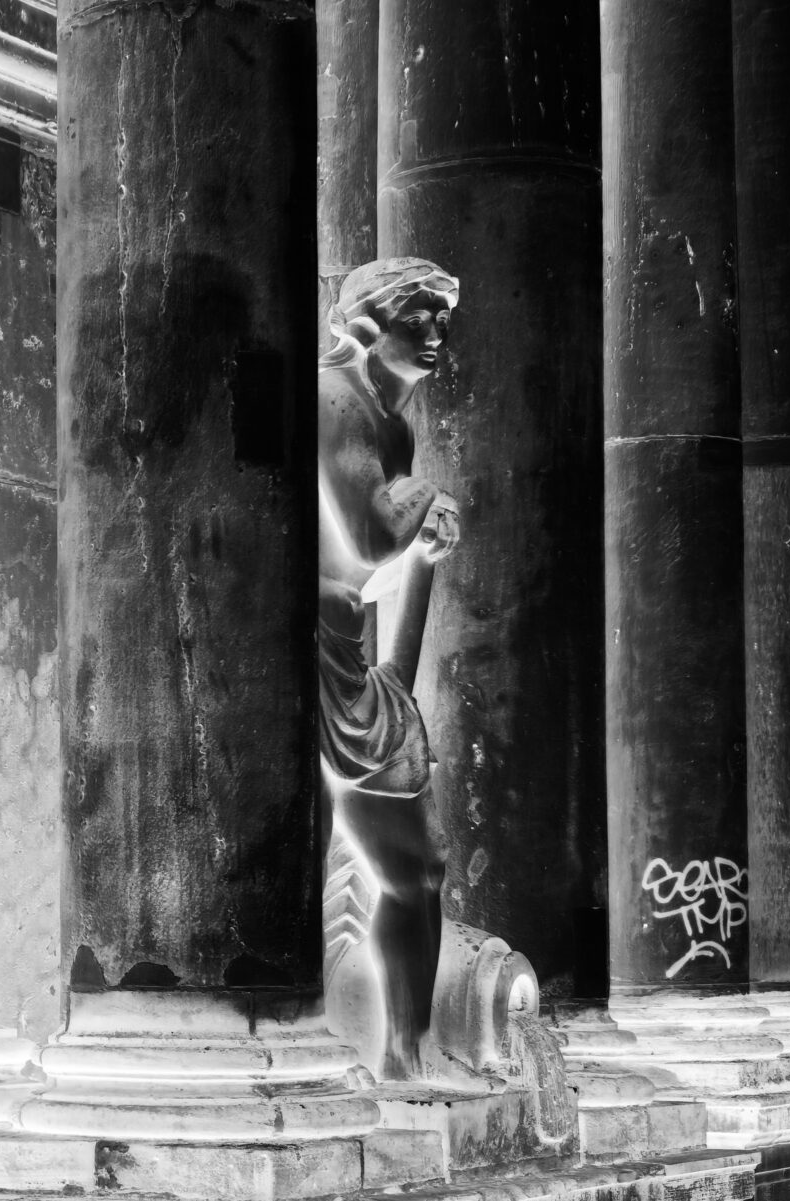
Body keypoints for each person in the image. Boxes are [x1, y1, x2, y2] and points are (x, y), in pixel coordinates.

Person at [317, 257, 461, 1080]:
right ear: (371, 323)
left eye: (443, 318)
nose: (436, 333)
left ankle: (405, 1058)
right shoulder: (337, 400)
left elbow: (372, 574)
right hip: (301, 656)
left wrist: (426, 554)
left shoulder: (392, 427)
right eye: (420, 316)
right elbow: (374, 534)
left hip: (348, 658)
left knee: (418, 865)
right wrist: (425, 500)